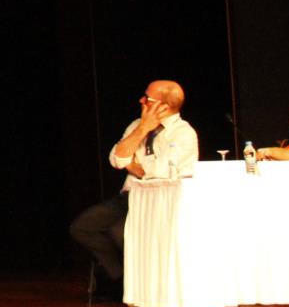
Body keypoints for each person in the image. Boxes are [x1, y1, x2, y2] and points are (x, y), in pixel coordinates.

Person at [68, 79, 199, 285]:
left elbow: (160, 172)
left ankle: (143, 283)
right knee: (82, 227)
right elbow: (116, 159)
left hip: (160, 202)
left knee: (119, 232)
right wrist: (143, 129)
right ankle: (121, 279)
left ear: (164, 106)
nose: (141, 100)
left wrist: (133, 164)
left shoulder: (183, 133)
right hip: (130, 196)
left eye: (147, 99)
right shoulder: (136, 125)